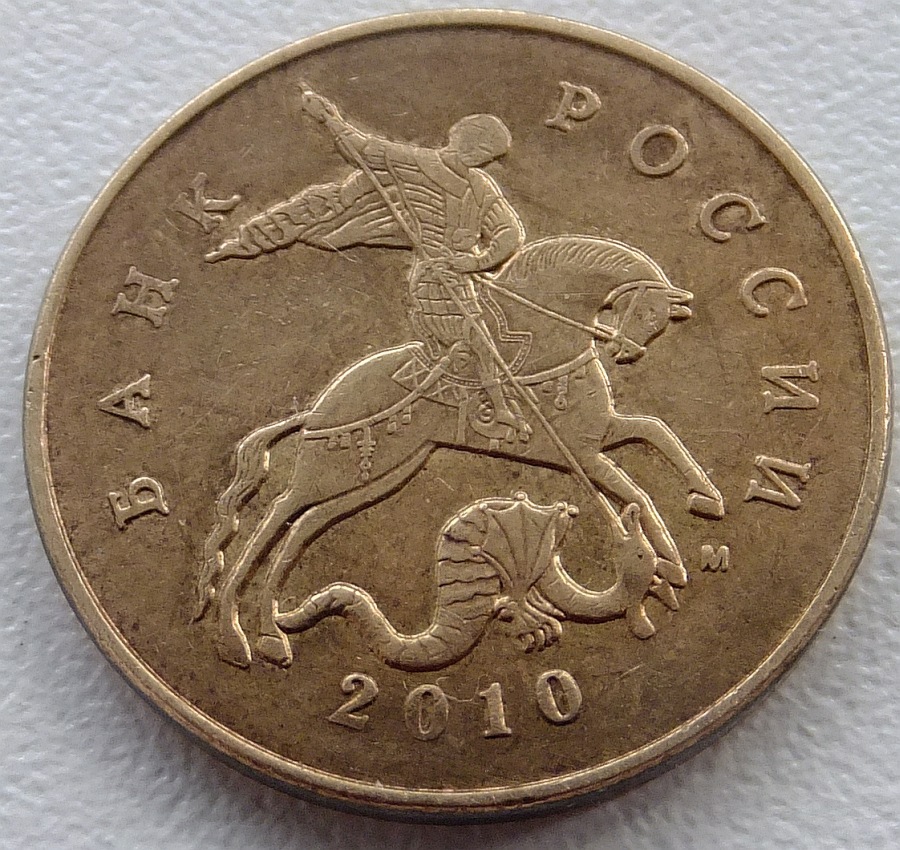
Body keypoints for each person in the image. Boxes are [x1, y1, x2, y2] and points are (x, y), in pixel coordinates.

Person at [207, 86, 528, 435]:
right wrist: (328, 118)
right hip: (433, 277)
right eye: (486, 152)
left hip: (465, 277)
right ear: (466, 143)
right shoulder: (413, 162)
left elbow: (509, 232)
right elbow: (361, 148)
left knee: (501, 328)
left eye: (490, 156)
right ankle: (495, 409)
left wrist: (477, 262)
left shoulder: (481, 186)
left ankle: (474, 396)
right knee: (477, 339)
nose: (487, 161)